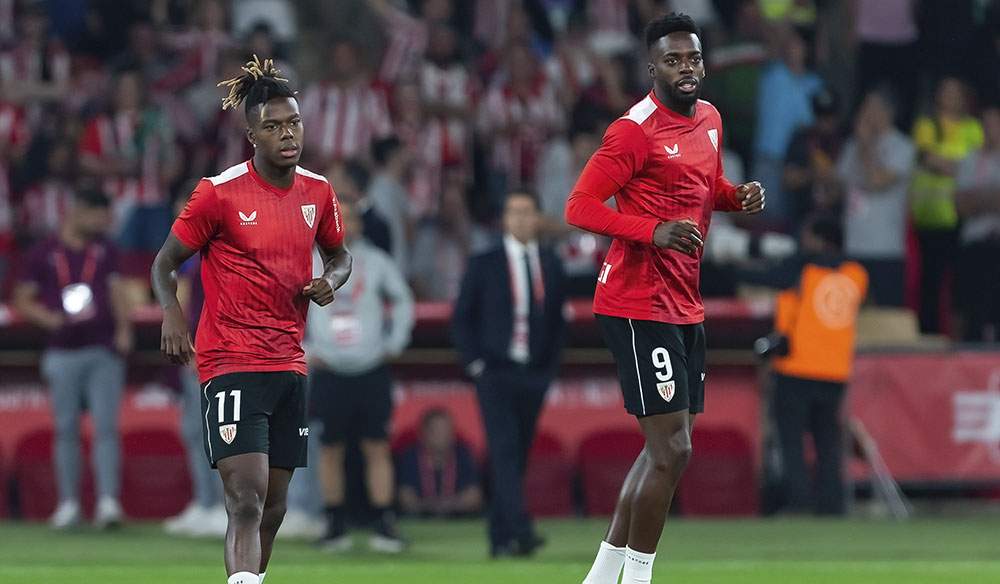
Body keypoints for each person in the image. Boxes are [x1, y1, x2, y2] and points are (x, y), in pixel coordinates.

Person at [564, 13, 764, 584]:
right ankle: (638, 577)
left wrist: (734, 197)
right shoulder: (633, 130)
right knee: (673, 450)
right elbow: (579, 206)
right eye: (673, 60)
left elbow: (701, 189)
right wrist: (652, 230)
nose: (686, 69)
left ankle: (603, 577)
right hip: (634, 301)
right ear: (651, 67)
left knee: (664, 450)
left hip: (684, 302)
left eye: (693, 59)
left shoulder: (710, 119)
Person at [150, 56, 351, 584]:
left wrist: (331, 280)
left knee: (275, 509)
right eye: (273, 126)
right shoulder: (217, 193)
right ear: (251, 134)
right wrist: (171, 312)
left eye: (294, 123)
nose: (287, 134)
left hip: (289, 361)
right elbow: (164, 262)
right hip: (231, 361)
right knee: (245, 499)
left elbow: (340, 254)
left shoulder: (318, 192)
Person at [451, 189, 567, 557]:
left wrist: (550, 367)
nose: (519, 219)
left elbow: (557, 321)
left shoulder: (551, 262)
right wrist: (476, 365)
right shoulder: (485, 262)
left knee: (518, 453)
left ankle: (500, 536)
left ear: (538, 218)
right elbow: (461, 319)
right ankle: (521, 529)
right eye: (513, 212)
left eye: (526, 212)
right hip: (495, 372)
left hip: (534, 373)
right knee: (504, 450)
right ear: (503, 218)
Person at [12, 187, 133, 529]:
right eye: (97, 215)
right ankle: (68, 503)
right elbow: (22, 298)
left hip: (101, 347)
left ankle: (108, 502)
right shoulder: (44, 251)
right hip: (62, 349)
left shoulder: (105, 248)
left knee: (106, 427)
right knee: (65, 428)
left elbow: (116, 289)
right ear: (77, 211)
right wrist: (45, 319)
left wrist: (124, 330)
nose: (102, 223)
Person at [306, 200, 415, 553]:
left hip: (370, 367)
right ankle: (334, 524)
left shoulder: (378, 261)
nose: (343, 223)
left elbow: (403, 300)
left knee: (376, 446)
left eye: (349, 218)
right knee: (330, 449)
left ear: (360, 225)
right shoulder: (306, 259)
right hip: (328, 369)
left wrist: (395, 342)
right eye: (337, 217)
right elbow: (281, 305)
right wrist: (304, 349)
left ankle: (383, 522)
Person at [754, 217, 868, 516]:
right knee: (828, 441)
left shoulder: (802, 271)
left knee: (792, 441)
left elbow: (776, 286)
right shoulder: (857, 275)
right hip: (835, 372)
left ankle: (800, 503)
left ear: (818, 239)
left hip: (797, 368)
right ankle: (833, 505)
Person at [910, 76, 984, 333]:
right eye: (945, 91)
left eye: (955, 92)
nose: (949, 97)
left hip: (963, 217)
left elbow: (980, 165)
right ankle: (928, 334)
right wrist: (964, 167)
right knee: (930, 281)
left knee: (963, 283)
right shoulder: (927, 124)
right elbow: (928, 158)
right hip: (931, 218)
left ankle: (959, 336)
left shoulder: (974, 127)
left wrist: (951, 165)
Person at [836, 87, 915, 307]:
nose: (864, 112)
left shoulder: (903, 147)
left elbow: (877, 180)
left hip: (885, 250)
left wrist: (866, 143)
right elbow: (837, 188)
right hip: (853, 247)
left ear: (887, 112)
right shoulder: (852, 146)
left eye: (870, 106)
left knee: (886, 316)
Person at [953, 105, 1000, 341]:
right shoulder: (971, 159)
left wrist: (978, 199)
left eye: (996, 124)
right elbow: (961, 205)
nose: (990, 130)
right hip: (975, 245)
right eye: (986, 124)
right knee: (970, 314)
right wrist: (991, 199)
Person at [396, 408, 483, 517]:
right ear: (423, 432)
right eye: (436, 431)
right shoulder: (411, 456)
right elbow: (405, 497)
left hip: (457, 519)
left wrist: (450, 505)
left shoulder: (463, 455)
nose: (442, 436)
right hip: (419, 519)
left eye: (446, 430)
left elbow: (474, 496)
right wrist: (429, 506)